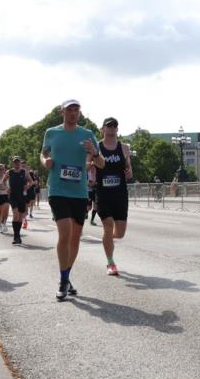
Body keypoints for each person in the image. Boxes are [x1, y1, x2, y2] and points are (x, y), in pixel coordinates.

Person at [40, 99, 104, 300]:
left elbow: (100, 163)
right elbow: (43, 153)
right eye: (70, 109)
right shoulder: (52, 133)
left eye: (76, 109)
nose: (73, 113)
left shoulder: (87, 135)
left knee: (75, 237)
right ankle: (62, 280)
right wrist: (45, 162)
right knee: (65, 232)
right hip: (57, 189)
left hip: (79, 192)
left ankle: (66, 275)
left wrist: (94, 152)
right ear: (62, 112)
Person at [94, 117, 133, 276]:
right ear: (102, 128)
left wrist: (129, 172)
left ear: (117, 129)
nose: (111, 128)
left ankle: (106, 239)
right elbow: (87, 163)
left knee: (120, 233)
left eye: (114, 126)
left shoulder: (124, 148)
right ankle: (110, 262)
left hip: (120, 194)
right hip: (103, 194)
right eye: (108, 126)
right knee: (108, 225)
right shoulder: (96, 146)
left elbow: (129, 169)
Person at [6, 156, 28, 244]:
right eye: (15, 162)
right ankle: (16, 236)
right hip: (13, 196)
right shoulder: (9, 172)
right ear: (13, 163)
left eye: (18, 162)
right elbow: (3, 181)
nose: (17, 163)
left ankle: (18, 235)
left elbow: (31, 181)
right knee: (15, 214)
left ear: (20, 163)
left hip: (22, 196)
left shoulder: (24, 172)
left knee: (20, 216)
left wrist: (28, 185)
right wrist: (7, 188)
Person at [0, 163, 10, 233]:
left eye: (3, 169)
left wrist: (6, 187)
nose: (1, 170)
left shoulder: (6, 176)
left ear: (4, 170)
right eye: (0, 169)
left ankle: (4, 223)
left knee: (6, 211)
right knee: (0, 212)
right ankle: (0, 226)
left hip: (6, 195)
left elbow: (9, 187)